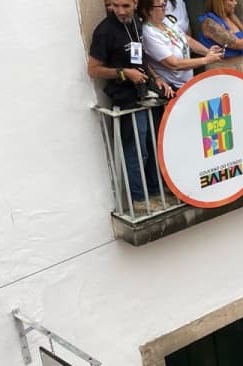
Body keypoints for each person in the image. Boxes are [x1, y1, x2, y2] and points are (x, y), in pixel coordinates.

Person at [88, 0, 174, 213]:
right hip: (126, 98)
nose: (120, 11)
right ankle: (139, 199)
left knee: (153, 145)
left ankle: (155, 191)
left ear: (135, 3)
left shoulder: (135, 22)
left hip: (147, 93)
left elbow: (141, 58)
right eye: (115, 5)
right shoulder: (104, 31)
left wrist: (157, 78)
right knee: (137, 149)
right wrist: (124, 73)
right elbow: (93, 69)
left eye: (125, 5)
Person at [139, 0, 223, 91]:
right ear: (147, 10)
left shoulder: (166, 21)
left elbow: (187, 40)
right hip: (172, 87)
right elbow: (174, 64)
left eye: (164, 4)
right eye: (161, 6)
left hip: (187, 83)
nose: (165, 8)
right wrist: (206, 60)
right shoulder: (148, 32)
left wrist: (208, 51)